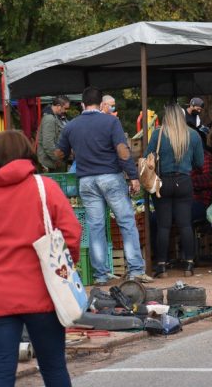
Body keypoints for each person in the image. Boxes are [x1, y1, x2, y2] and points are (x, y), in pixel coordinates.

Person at [0, 131, 81, 386]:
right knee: (54, 368)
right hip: (44, 294)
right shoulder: (45, 188)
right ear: (27, 152)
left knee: (1, 373)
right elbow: (71, 233)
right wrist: (66, 268)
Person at [56, 86, 152, 284]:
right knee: (126, 221)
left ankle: (101, 275)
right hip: (110, 178)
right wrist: (133, 176)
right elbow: (122, 150)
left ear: (82, 104)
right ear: (101, 104)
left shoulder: (71, 126)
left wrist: (77, 152)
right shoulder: (110, 121)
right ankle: (135, 270)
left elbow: (59, 154)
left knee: (95, 226)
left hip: (86, 181)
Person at [146, 104, 204, 278]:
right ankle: (188, 264)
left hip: (162, 183)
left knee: (163, 226)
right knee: (185, 224)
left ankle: (162, 265)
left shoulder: (158, 134)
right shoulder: (193, 135)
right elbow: (200, 163)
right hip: (184, 181)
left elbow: (149, 158)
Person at [36, 95, 70, 173]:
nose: (66, 111)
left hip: (52, 162)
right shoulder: (49, 119)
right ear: (58, 106)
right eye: (66, 108)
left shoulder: (55, 117)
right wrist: (57, 159)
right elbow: (48, 144)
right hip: (50, 164)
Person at [191, 131, 212, 224]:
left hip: (199, 202)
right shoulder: (184, 157)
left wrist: (187, 182)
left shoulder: (205, 157)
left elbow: (209, 178)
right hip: (184, 201)